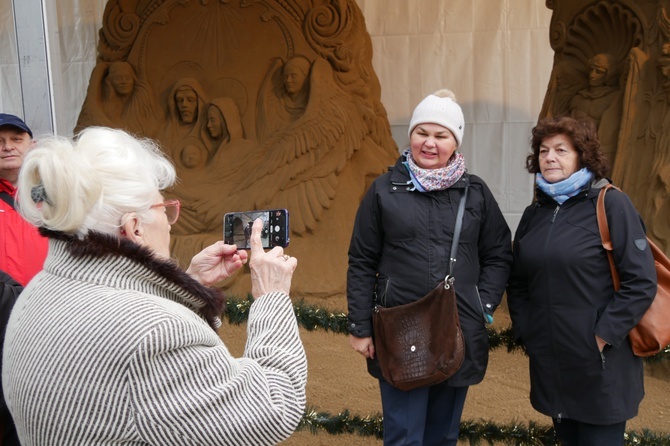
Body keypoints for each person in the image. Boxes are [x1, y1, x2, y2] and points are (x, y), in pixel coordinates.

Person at [2, 126, 307, 445]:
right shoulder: (154, 334)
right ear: (134, 227)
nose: (169, 222)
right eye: (165, 209)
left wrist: (189, 284)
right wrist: (271, 297)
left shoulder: (36, 291)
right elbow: (274, 406)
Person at [346, 89, 512, 445]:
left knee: (443, 435)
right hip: (400, 328)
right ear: (411, 135)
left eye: (441, 135)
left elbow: (499, 253)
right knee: (404, 435)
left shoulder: (476, 193)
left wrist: (482, 304)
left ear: (456, 141)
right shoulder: (383, 190)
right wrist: (360, 326)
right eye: (422, 132)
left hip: (458, 327)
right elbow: (361, 260)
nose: (430, 143)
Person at [506, 115, 657, 446]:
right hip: (552, 365)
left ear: (582, 155)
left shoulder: (611, 204)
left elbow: (641, 281)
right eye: (544, 150)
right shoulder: (535, 214)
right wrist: (527, 328)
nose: (549, 157)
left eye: (561, 149)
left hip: (601, 367)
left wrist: (602, 336)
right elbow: (517, 281)